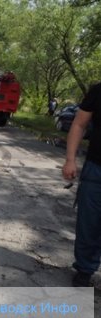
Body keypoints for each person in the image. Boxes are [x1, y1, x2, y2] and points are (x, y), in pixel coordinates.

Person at [62, 82, 101, 287]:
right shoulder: (98, 91)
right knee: (89, 224)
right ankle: (85, 270)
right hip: (97, 169)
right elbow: (79, 124)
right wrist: (70, 159)